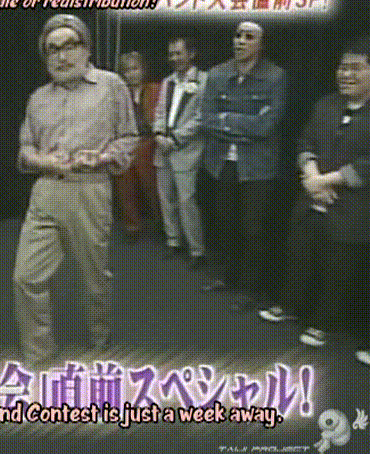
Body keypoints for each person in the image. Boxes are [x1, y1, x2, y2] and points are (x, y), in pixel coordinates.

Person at [12, 14, 137, 368]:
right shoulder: (38, 98)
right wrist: (45, 162)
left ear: (86, 49)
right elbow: (25, 150)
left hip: (89, 191)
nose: (61, 56)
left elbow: (129, 138)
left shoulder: (111, 86)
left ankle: (99, 338)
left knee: (94, 277)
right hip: (46, 192)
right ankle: (38, 355)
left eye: (69, 46)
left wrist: (102, 158)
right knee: (26, 277)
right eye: (52, 50)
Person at [259, 38, 369, 364]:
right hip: (312, 198)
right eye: (342, 67)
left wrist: (328, 180)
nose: (345, 74)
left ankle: (323, 325)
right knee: (299, 256)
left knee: (339, 270)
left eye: (355, 68)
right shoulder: (326, 104)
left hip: (353, 207)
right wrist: (310, 174)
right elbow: (305, 141)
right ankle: (291, 308)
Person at [200, 21, 286, 313]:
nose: (240, 41)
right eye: (237, 35)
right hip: (221, 162)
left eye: (249, 37)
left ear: (261, 44)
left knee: (253, 229)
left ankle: (251, 288)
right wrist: (244, 124)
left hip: (257, 167)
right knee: (225, 223)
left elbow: (266, 126)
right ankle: (228, 277)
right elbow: (207, 120)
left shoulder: (275, 76)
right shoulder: (217, 74)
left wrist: (227, 120)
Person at [153, 36, 207, 267]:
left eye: (178, 53)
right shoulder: (167, 81)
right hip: (163, 149)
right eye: (171, 54)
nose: (174, 58)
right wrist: (158, 134)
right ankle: (173, 241)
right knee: (166, 199)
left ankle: (196, 250)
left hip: (187, 151)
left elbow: (201, 118)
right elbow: (159, 111)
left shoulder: (205, 81)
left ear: (191, 54)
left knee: (187, 202)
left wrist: (174, 139)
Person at [113, 52, 162, 241]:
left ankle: (162, 224)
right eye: (127, 70)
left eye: (135, 69)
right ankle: (132, 226)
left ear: (143, 70)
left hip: (149, 142)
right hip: (125, 143)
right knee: (125, 187)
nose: (131, 74)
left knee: (153, 187)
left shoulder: (155, 89)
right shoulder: (118, 94)